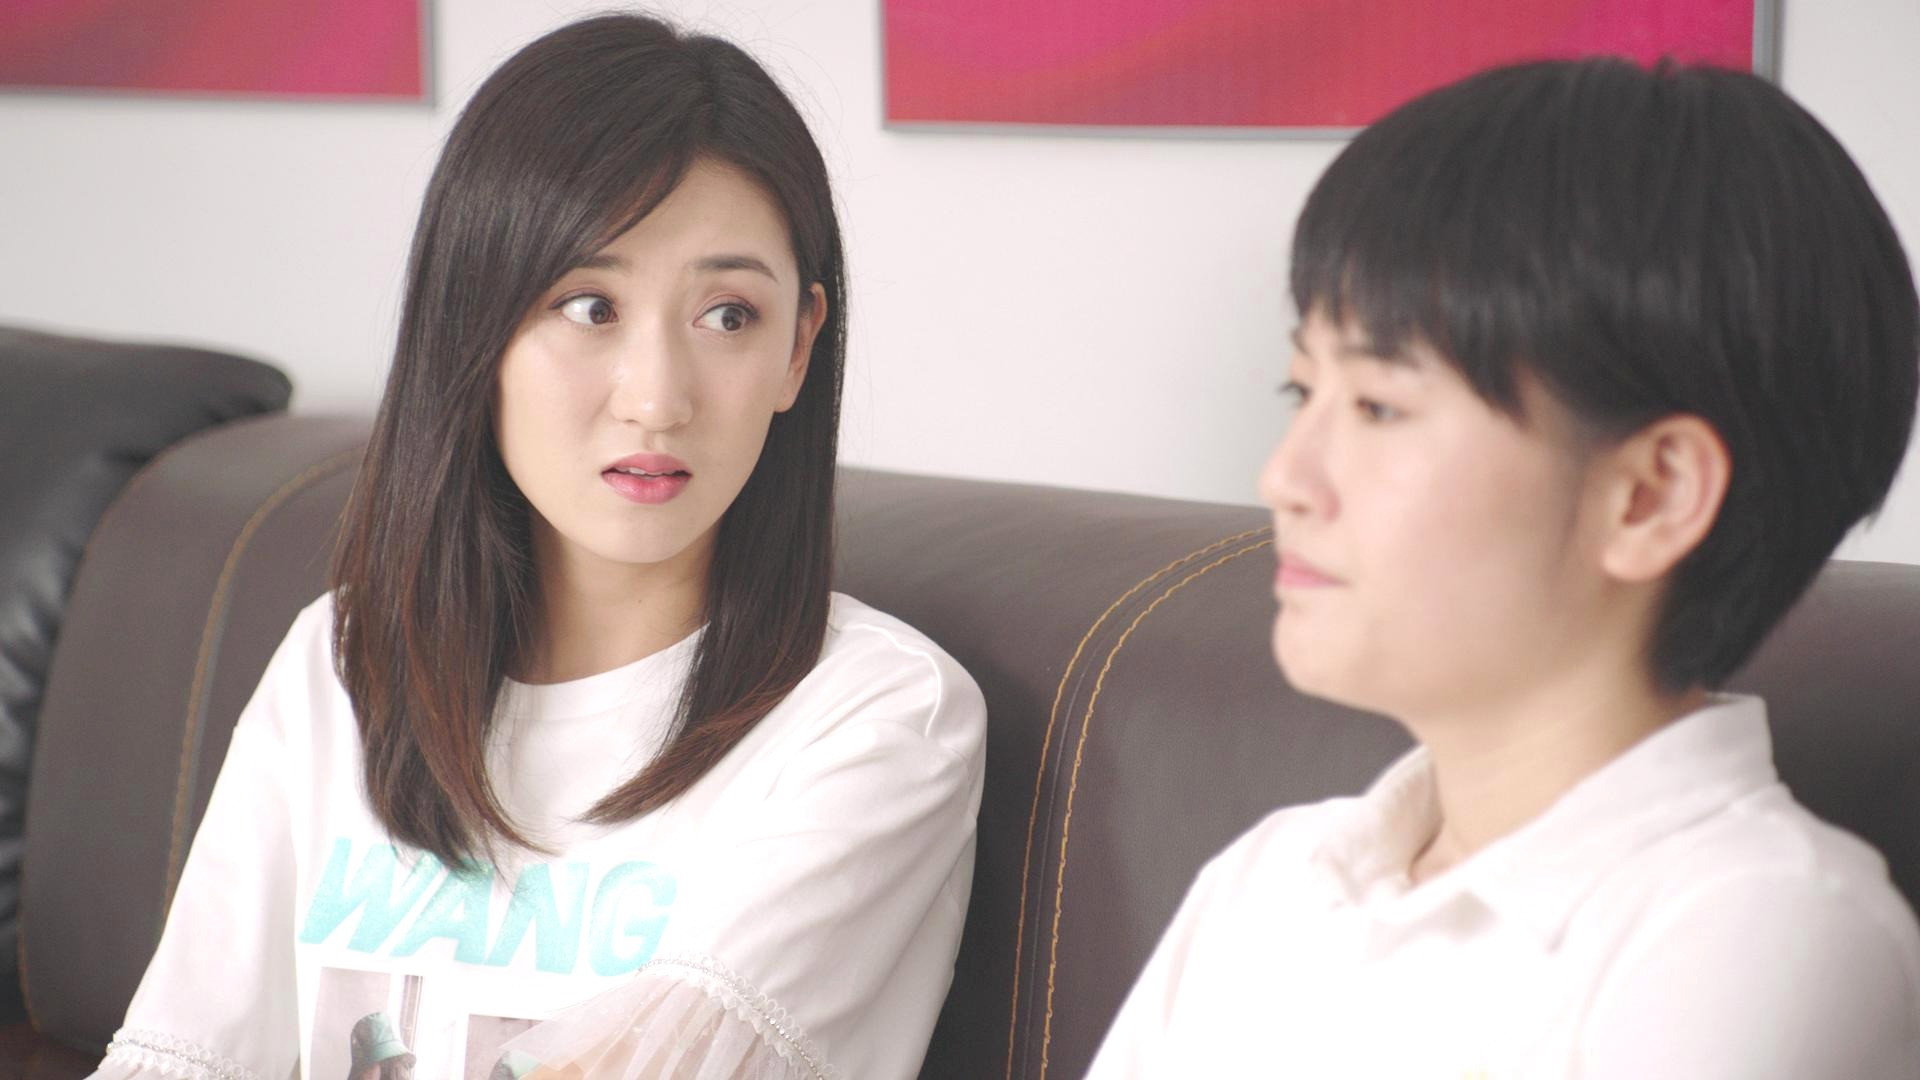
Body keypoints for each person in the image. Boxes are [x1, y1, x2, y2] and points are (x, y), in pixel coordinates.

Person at [93, 14, 985, 1080]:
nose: (656, 398)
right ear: (475, 327)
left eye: (729, 316)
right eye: (591, 305)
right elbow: (185, 1059)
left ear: (799, 346)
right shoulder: (345, 661)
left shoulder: (879, 719)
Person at [1089, 57, 1920, 1078]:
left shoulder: (1766, 933)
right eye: (1302, 391)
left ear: (1649, 495)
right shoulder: (1275, 876)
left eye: (1379, 406)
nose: (1283, 478)